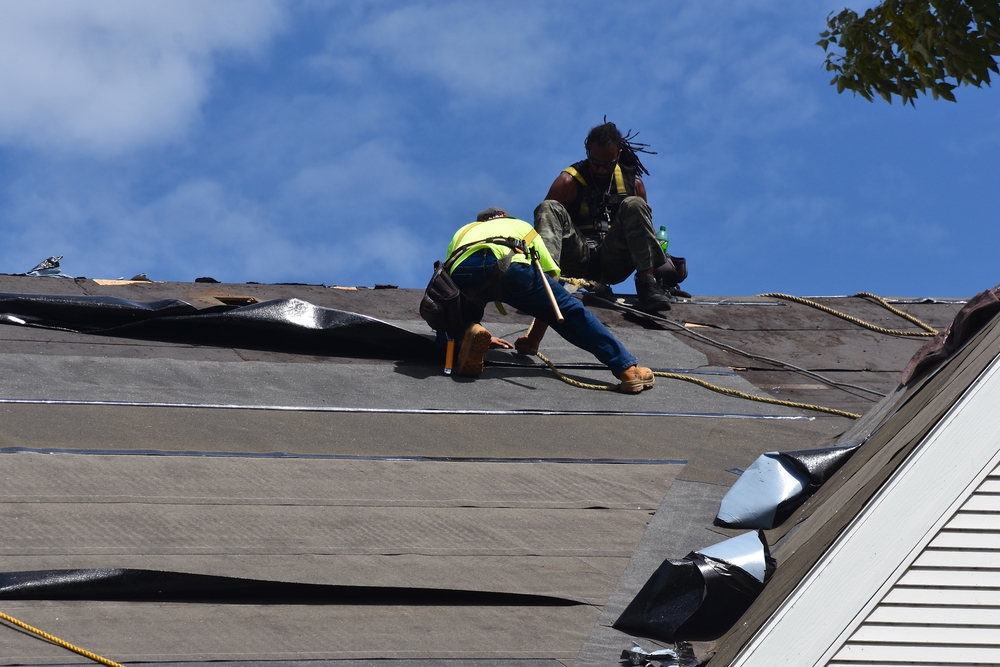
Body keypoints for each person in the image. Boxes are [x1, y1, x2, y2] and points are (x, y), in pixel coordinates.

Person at [445, 207, 655, 393]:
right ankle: (627, 369)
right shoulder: (521, 226)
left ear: (482, 222)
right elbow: (551, 280)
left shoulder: (465, 231)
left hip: (464, 270)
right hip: (511, 267)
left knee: (455, 314)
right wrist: (533, 339)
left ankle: (468, 333)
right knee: (572, 312)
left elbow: (448, 282)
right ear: (506, 217)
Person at [534, 119, 684, 312]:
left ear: (618, 154)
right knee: (548, 207)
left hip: (613, 259)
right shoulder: (568, 181)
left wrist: (663, 268)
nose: (602, 170)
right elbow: (544, 228)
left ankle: (648, 286)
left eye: (608, 164)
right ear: (587, 151)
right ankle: (546, 283)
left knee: (635, 204)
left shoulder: (633, 184)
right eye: (596, 164)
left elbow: (646, 232)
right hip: (577, 256)